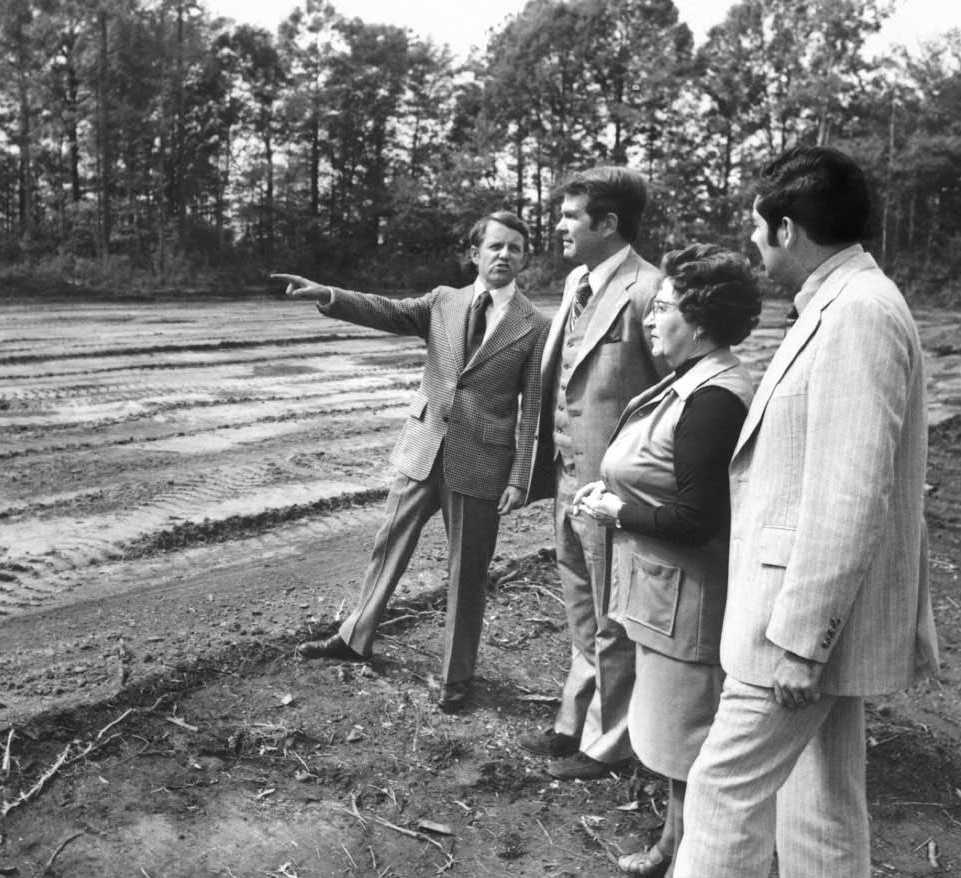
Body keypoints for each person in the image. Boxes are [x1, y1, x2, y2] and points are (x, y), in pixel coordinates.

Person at [673, 146, 940, 878]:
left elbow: (852, 491)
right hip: (812, 619)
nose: (754, 249)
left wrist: (802, 642)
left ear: (788, 229)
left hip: (796, 625)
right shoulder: (847, 302)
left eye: (759, 231)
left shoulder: (858, 313)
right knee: (819, 804)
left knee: (721, 793)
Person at [272, 210, 549, 714]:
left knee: (468, 573)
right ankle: (355, 637)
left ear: (525, 258)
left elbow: (532, 408)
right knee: (387, 547)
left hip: (482, 463)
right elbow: (387, 310)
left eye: (514, 247)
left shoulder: (535, 325)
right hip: (422, 449)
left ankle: (454, 676)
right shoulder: (443, 301)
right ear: (475, 253)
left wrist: (520, 477)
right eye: (495, 246)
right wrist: (328, 295)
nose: (504, 255)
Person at [573, 245, 761, 877]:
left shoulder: (714, 398)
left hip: (690, 604)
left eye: (661, 308)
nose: (650, 319)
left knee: (693, 744)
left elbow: (696, 518)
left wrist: (614, 512)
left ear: (701, 321)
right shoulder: (692, 381)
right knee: (679, 742)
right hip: (666, 599)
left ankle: (689, 856)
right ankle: (676, 848)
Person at [519, 167, 666, 780]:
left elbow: (668, 392)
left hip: (615, 491)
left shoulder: (649, 290)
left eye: (571, 216)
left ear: (608, 224)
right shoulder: (578, 280)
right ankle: (572, 719)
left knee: (614, 617)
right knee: (581, 607)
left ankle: (609, 745)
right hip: (565, 480)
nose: (558, 225)